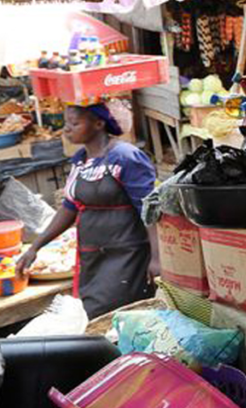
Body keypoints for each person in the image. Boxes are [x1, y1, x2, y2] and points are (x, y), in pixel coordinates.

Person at [18, 104, 158, 318]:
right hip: (93, 258)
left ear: (99, 124)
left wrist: (157, 259)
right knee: (96, 313)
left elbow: (149, 209)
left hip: (127, 255)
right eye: (66, 124)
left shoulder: (125, 157)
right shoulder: (80, 161)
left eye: (75, 123)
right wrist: (34, 247)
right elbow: (69, 207)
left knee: (122, 314)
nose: (67, 129)